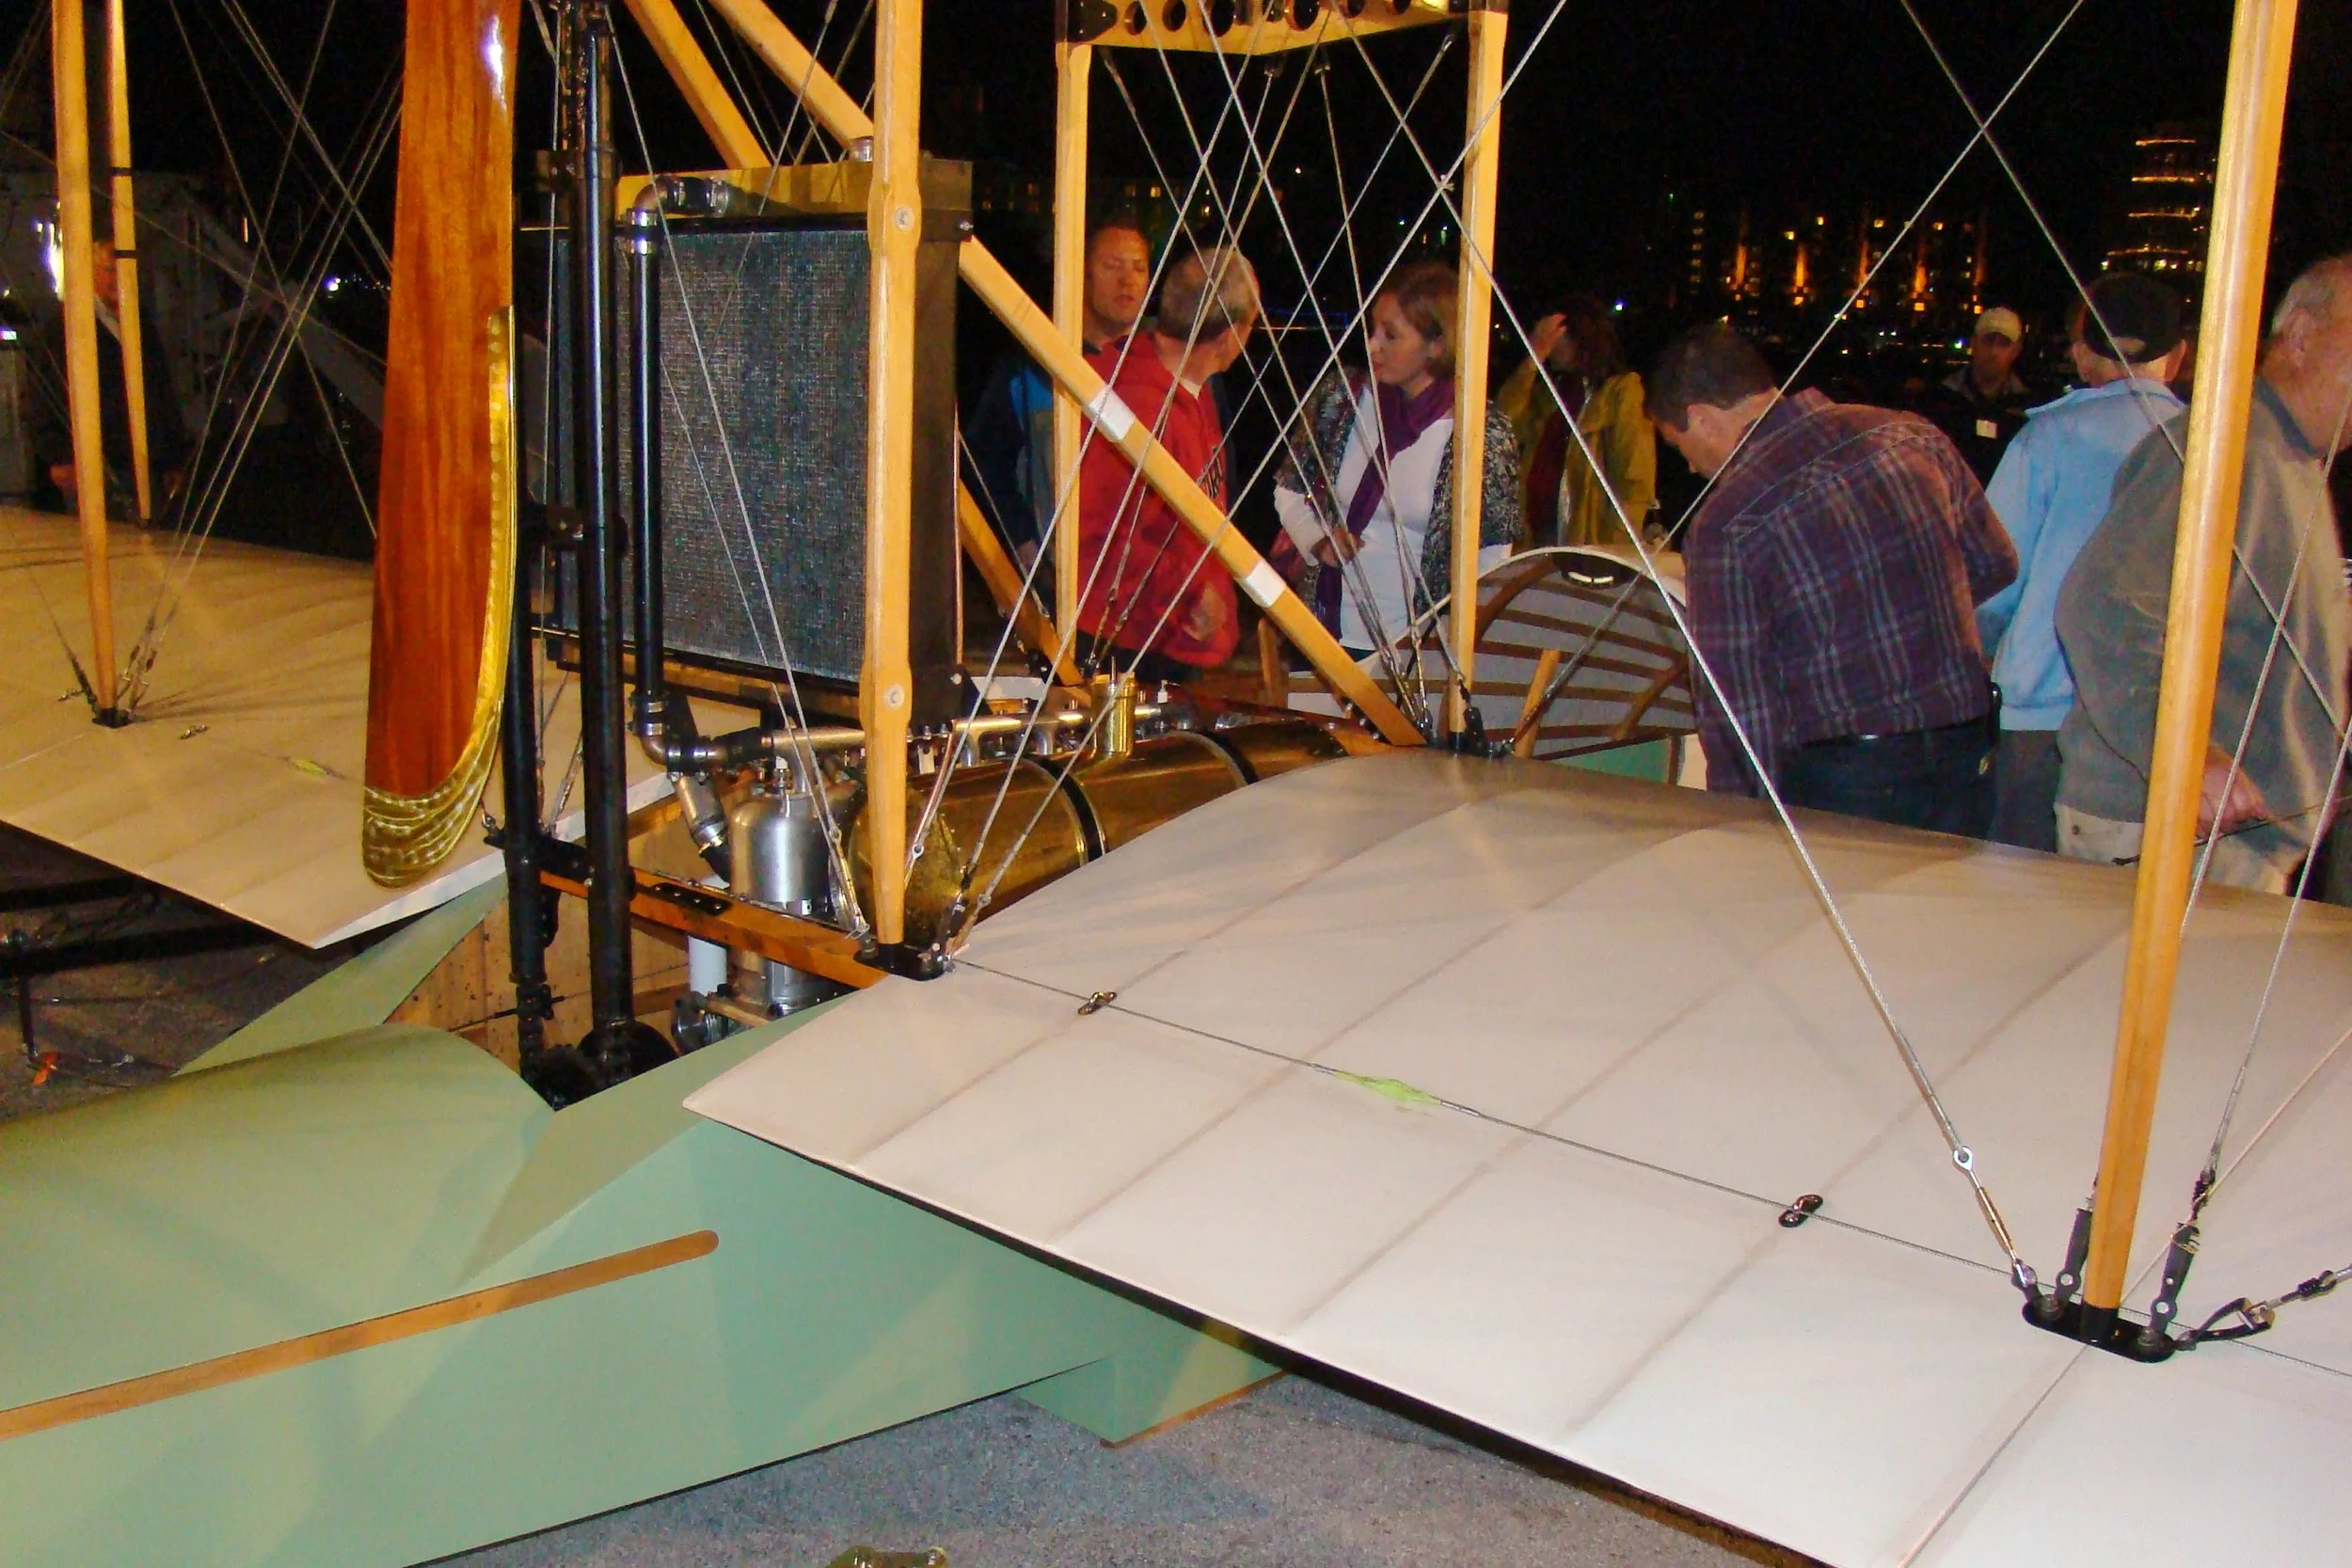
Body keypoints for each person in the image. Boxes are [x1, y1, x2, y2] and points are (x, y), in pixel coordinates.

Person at [2054, 254, 2352, 894]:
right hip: (2171, 830)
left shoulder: (2292, 456)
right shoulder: (2226, 447)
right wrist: (2184, 753)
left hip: (2230, 839)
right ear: (2300, 334)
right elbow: (2099, 607)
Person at [1650, 323, 2017, 833]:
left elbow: (1737, 704)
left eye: (1680, 446)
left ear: (1702, 418)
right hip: (1966, 747)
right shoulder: (1911, 433)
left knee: (1845, 917)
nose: (1691, 469)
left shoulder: (1727, 518)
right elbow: (1996, 562)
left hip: (1848, 777)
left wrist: (1739, 823)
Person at [1977, 274, 2188, 851]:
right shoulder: (2202, 447)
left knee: (2021, 895)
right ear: (2178, 355)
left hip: (2042, 711)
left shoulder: (2047, 439)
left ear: (2081, 350)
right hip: (2163, 722)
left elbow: (1993, 575)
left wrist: (1981, 648)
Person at [1267, 261, 1519, 656]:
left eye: (1391, 335)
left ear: (1435, 346)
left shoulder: (1481, 431)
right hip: (1323, 635)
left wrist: (1452, 645)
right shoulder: (1343, 397)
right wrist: (1317, 542)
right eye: (1373, 330)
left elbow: (1492, 555)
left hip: (1417, 652)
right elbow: (1289, 487)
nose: (1372, 346)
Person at [1073, 245, 1259, 682]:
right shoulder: (1131, 401)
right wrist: (1192, 589)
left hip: (1178, 635)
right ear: (1232, 335)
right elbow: (1098, 532)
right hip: (1134, 648)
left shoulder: (1198, 391)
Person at [965, 216, 1153, 570]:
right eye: (1112, 266)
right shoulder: (1034, 367)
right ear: (1081, 275)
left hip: (1150, 588)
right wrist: (1022, 542)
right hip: (1061, 579)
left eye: (1139, 268)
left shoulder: (1165, 365)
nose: (1127, 280)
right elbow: (984, 464)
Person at [1494, 294, 1655, 548]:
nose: (1552, 347)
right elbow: (1500, 426)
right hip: (1535, 535)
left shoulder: (1621, 392)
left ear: (1578, 337)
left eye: (1556, 338)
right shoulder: (1550, 392)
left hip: (1586, 540)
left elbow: (1634, 481)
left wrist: (1614, 550)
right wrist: (1532, 360)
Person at [1922, 306, 2035, 483]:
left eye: (2004, 343)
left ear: (2016, 350)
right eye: (1988, 340)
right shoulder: (1939, 398)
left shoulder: (2029, 409)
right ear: (1974, 343)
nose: (1994, 351)